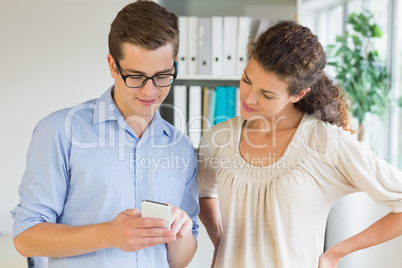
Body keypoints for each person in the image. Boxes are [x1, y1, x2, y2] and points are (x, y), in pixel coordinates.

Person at [197, 20, 402, 268]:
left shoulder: (325, 143)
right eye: (247, 80)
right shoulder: (219, 137)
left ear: (299, 94)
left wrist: (336, 252)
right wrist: (219, 241)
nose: (249, 98)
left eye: (267, 94)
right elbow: (204, 192)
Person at [11, 1, 199, 267]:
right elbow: (25, 237)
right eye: (135, 76)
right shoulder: (61, 131)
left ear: (174, 65)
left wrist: (181, 230)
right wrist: (107, 235)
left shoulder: (181, 148)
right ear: (113, 65)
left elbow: (178, 261)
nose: (150, 91)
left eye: (162, 76)